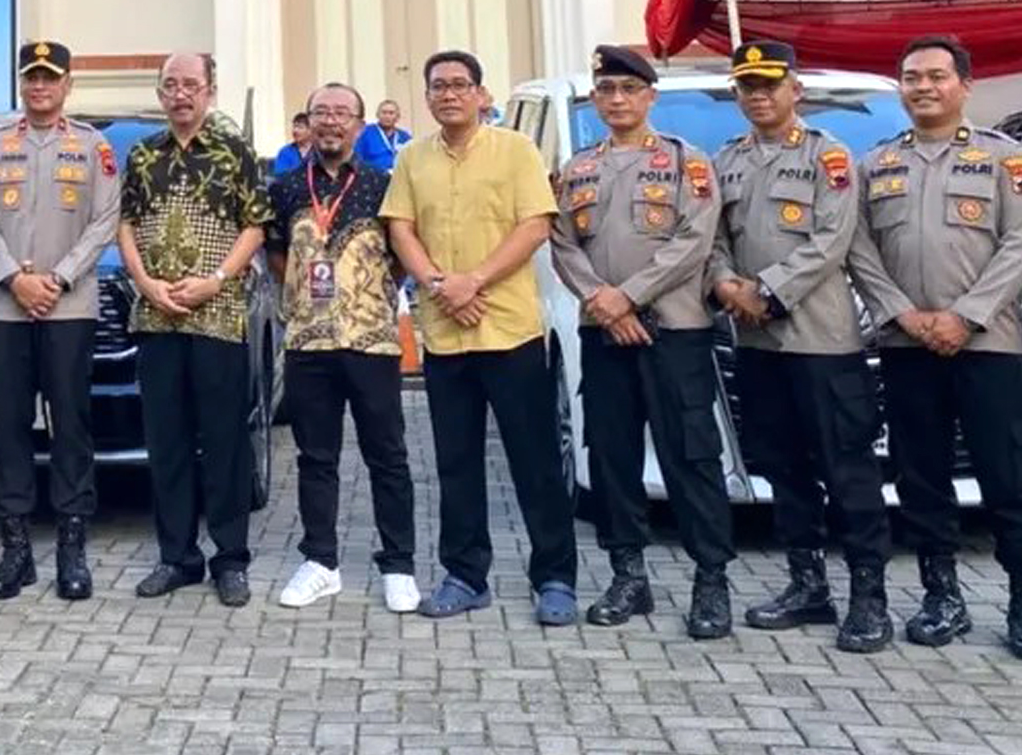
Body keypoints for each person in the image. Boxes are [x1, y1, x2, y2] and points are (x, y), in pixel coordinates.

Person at [849, 35, 1022, 663]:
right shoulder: (877, 163)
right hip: (906, 343)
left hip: (987, 344)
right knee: (921, 476)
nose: (923, 87)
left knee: (1010, 474)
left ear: (964, 85)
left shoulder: (1004, 159)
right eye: (912, 77)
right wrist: (902, 314)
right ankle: (941, 596)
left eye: (936, 76)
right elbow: (859, 248)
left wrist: (965, 317)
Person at [709, 40, 893, 653]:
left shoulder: (828, 157)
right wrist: (726, 284)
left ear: (796, 90)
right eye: (747, 87)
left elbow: (832, 241)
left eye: (769, 84)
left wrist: (765, 291)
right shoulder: (727, 161)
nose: (758, 96)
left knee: (847, 470)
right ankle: (807, 585)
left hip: (821, 341)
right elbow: (714, 241)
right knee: (783, 467)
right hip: (758, 344)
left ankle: (868, 596)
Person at [381, 49, 575, 625]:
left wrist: (474, 281)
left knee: (535, 462)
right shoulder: (413, 158)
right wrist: (438, 283)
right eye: (438, 86)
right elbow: (401, 228)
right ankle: (465, 575)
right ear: (427, 97)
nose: (449, 94)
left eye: (460, 84)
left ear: (481, 94)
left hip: (509, 330)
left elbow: (535, 225)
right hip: (445, 334)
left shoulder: (516, 150)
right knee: (456, 463)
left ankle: (555, 578)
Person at [548, 47, 734, 639]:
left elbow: (694, 240)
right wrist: (603, 303)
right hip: (604, 335)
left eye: (629, 89)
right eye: (607, 90)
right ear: (595, 99)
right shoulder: (577, 169)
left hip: (674, 333)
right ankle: (627, 575)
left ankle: (711, 580)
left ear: (650, 97)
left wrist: (627, 297)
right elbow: (562, 244)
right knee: (612, 457)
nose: (617, 99)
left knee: (690, 458)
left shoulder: (686, 163)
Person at [0, 42, 121, 601]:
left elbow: (105, 220)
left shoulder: (94, 146)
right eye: (31, 77)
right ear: (21, 83)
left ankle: (72, 549)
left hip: (68, 307)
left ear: (67, 84)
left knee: (70, 425)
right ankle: (16, 551)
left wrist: (59, 278)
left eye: (50, 78)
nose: (40, 87)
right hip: (4, 307)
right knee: (7, 427)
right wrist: (13, 278)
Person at [118, 52, 271, 607]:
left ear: (210, 91)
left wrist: (216, 279)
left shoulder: (234, 152)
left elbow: (256, 225)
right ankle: (177, 557)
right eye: (171, 85)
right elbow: (125, 224)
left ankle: (230, 560)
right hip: (156, 318)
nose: (180, 94)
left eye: (190, 84)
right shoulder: (142, 155)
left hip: (218, 317)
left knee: (225, 442)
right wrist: (144, 282)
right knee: (168, 443)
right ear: (160, 93)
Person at [265, 83, 418, 613]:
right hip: (308, 343)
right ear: (308, 121)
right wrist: (304, 297)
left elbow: (400, 256)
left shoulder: (384, 184)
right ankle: (320, 562)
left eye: (341, 114)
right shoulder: (286, 187)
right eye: (321, 113)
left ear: (359, 124)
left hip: (370, 342)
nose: (330, 122)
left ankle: (398, 564)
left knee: (388, 456)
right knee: (316, 457)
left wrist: (371, 295)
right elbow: (278, 255)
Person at [354, 99, 413, 173]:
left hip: (398, 177)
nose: (387, 116)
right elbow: (357, 158)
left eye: (391, 113)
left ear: (397, 117)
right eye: (384, 113)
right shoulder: (364, 132)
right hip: (372, 176)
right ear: (377, 115)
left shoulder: (405, 137)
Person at [272, 113, 312, 177]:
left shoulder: (318, 151)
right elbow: (280, 176)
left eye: (300, 127)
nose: (295, 130)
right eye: (294, 127)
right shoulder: (285, 152)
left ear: (310, 130)